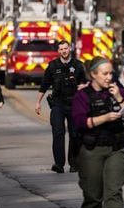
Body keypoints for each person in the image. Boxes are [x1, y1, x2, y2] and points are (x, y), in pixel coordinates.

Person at [71, 57, 124, 208]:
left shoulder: (117, 91)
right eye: (105, 74)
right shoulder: (83, 96)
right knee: (93, 196)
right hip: (92, 150)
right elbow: (80, 122)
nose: (109, 77)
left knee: (114, 192)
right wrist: (105, 118)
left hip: (116, 148)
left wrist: (118, 98)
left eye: (111, 73)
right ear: (94, 75)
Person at [35, 40, 87, 174]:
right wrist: (38, 102)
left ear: (70, 49)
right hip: (58, 103)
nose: (64, 51)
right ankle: (58, 164)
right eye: (61, 49)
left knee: (75, 135)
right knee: (58, 133)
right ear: (58, 51)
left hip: (75, 104)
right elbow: (44, 85)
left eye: (66, 48)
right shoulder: (53, 66)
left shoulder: (78, 65)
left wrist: (85, 86)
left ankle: (74, 163)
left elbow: (89, 82)